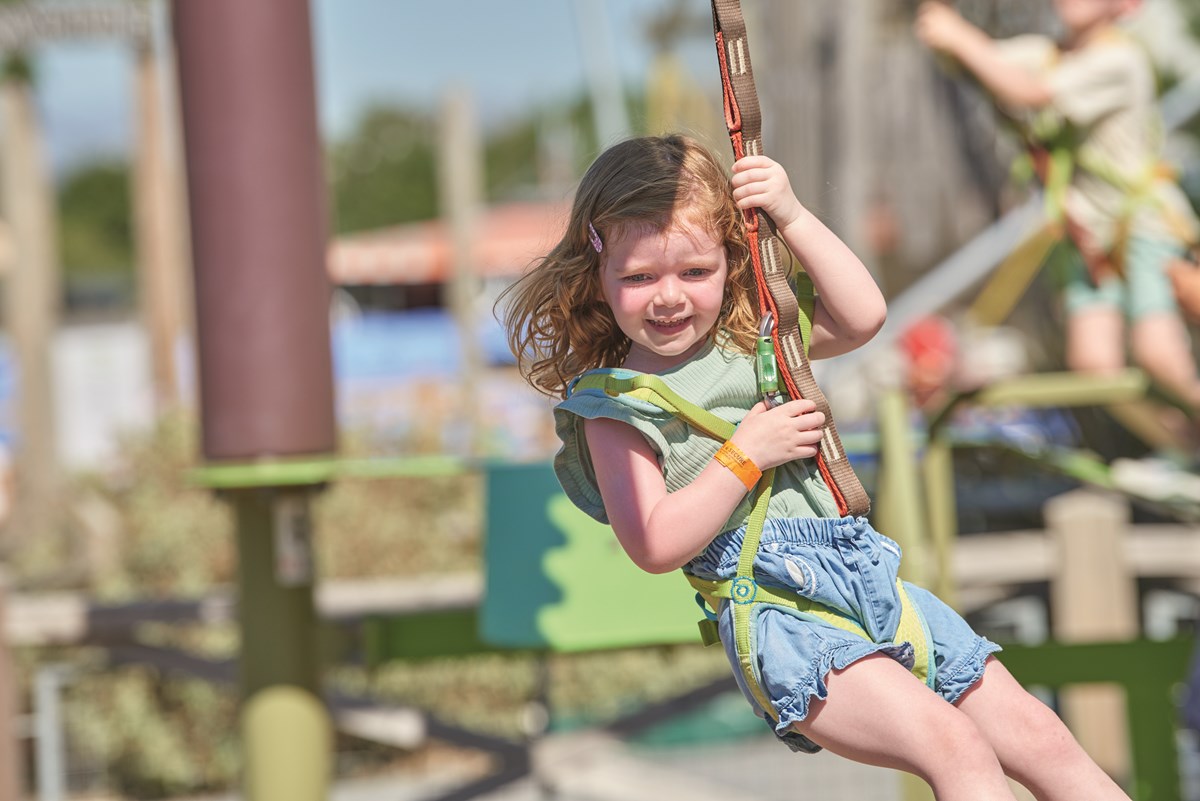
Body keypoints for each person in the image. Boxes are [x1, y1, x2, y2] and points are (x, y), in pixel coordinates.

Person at [501, 134, 1130, 800]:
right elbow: (654, 541)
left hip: (870, 584)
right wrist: (746, 455)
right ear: (596, 275)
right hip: (782, 614)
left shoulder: (753, 338)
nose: (669, 297)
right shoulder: (617, 405)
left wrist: (792, 215)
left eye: (695, 272)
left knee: (1042, 738)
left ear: (729, 260)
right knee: (957, 748)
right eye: (638, 277)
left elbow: (863, 315)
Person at [915, 0, 1200, 414]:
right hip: (1085, 233)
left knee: (1158, 354)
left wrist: (958, 35)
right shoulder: (1044, 54)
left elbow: (1031, 91)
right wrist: (942, 31)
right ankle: (1182, 448)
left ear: (1126, 6)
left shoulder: (1119, 59)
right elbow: (976, 61)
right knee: (1093, 366)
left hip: (1141, 224)